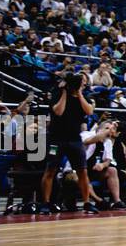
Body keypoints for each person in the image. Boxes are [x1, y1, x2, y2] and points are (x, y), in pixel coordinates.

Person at [38, 71, 98, 215]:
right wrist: (64, 92)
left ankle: (86, 202)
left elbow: (89, 111)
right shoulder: (57, 93)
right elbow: (58, 111)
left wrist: (79, 93)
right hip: (55, 139)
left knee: (82, 171)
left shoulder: (85, 97)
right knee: (50, 169)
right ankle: (45, 203)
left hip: (75, 139)